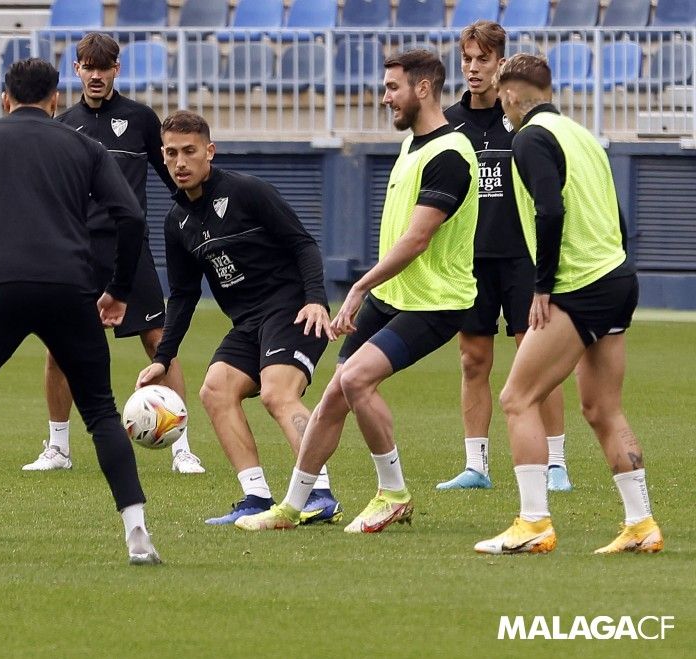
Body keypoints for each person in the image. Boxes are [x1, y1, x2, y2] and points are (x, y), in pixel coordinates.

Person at [0, 58, 161, 566]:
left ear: (4, 99)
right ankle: (139, 538)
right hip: (70, 288)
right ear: (56, 100)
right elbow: (129, 214)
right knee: (102, 412)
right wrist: (119, 289)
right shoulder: (84, 145)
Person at [235, 50, 478, 534]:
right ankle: (293, 506)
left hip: (437, 301)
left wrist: (359, 287)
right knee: (330, 400)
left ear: (423, 88)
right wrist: (370, 293)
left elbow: (417, 239)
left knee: (356, 380)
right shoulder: (414, 144)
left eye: (392, 87)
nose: (384, 96)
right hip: (395, 296)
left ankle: (394, 494)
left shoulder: (450, 154)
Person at [474, 54, 662, 555]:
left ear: (511, 93)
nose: (501, 105)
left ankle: (533, 522)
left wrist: (542, 285)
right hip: (618, 278)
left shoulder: (529, 137)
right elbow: (618, 216)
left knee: (517, 398)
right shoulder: (583, 136)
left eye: (500, 94)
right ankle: (641, 524)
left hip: (578, 286)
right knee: (602, 408)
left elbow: (549, 208)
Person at [136, 109, 343, 526]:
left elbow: (303, 244)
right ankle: (256, 496)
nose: (180, 162)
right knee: (214, 390)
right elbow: (183, 294)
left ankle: (320, 492)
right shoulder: (176, 221)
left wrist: (317, 300)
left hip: (292, 309)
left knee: (276, 393)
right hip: (248, 322)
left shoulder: (248, 192)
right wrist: (163, 357)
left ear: (209, 152)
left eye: (189, 151)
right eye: (171, 153)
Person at [22, 32, 204, 475]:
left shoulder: (141, 119)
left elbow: (173, 179)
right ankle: (58, 449)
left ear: (117, 70)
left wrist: (200, 224)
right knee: (59, 348)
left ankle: (182, 448)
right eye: (89, 66)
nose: (97, 74)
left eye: (105, 67)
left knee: (160, 341)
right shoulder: (62, 125)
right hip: (76, 252)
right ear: (78, 70)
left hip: (129, 250)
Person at [437, 20, 571, 492]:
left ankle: (555, 462)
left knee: (533, 359)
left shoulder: (523, 120)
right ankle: (476, 465)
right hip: (469, 260)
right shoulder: (448, 121)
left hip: (520, 257)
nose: (473, 68)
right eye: (466, 59)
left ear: (500, 63)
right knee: (473, 360)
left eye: (483, 59)